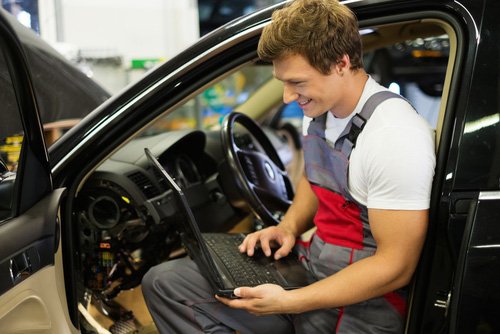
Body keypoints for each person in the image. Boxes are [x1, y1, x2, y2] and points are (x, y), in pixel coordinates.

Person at [142, 0, 436, 332]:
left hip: (365, 306)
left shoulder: (393, 137)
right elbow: (319, 178)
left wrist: (287, 302)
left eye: (297, 82)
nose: (286, 97)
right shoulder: (324, 112)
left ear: (341, 63)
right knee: (167, 282)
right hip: (315, 266)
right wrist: (288, 228)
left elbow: (396, 266)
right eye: (283, 82)